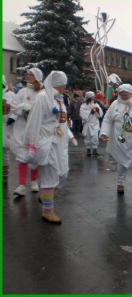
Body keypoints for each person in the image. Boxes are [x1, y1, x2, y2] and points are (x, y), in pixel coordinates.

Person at [24, 71, 70, 224]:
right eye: (62, 85)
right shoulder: (42, 97)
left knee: (63, 174)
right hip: (47, 142)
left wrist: (70, 135)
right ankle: (47, 211)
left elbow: (61, 120)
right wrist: (31, 143)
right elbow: (33, 121)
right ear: (57, 84)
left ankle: (45, 196)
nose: (64, 87)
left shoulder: (59, 99)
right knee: (50, 176)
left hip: (60, 143)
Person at [8, 68, 43, 196]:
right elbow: (14, 105)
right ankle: (21, 184)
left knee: (34, 154)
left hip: (36, 128)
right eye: (28, 74)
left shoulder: (41, 93)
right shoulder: (22, 91)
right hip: (22, 127)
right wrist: (23, 108)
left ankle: (34, 181)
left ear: (37, 77)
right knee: (22, 155)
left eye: (31, 75)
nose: (28, 77)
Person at [80, 91, 103, 156]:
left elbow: (100, 114)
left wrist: (97, 110)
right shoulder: (83, 105)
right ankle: (88, 149)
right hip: (87, 123)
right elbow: (82, 113)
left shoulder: (96, 104)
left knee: (95, 136)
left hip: (95, 122)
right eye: (92, 97)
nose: (94, 98)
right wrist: (90, 111)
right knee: (87, 136)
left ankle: (95, 149)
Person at [2, 75, 16, 185]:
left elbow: (15, 110)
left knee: (4, 150)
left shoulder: (10, 95)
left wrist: (11, 119)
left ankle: (4, 175)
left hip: (5, 124)